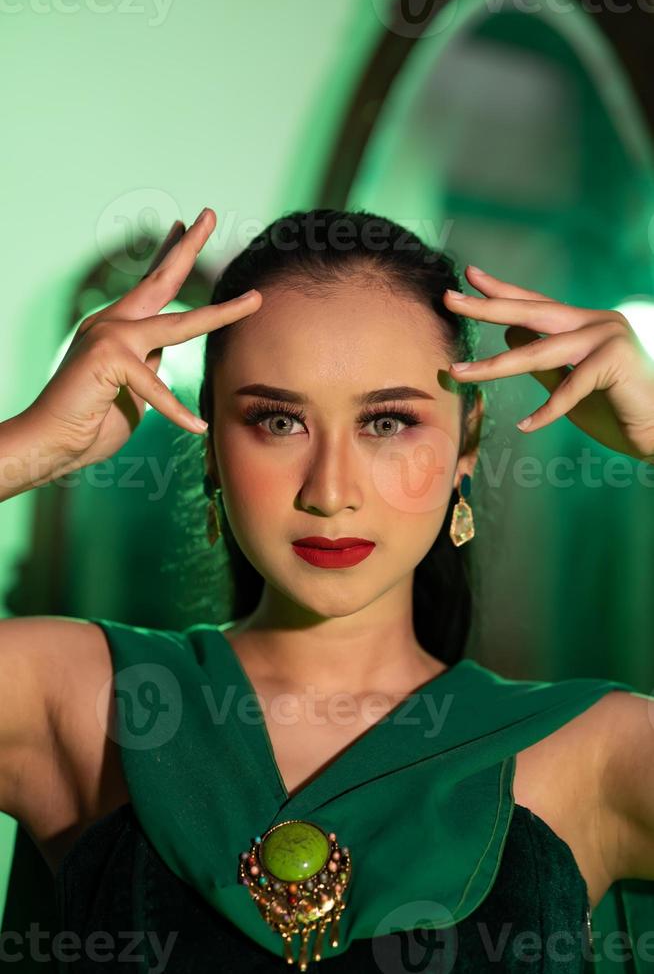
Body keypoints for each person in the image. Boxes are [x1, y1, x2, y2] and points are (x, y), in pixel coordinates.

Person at [1, 206, 654, 973]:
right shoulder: (75, 699)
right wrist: (34, 443)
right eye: (278, 421)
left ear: (467, 442)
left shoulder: (593, 749)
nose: (330, 490)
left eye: (387, 422)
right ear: (209, 443)